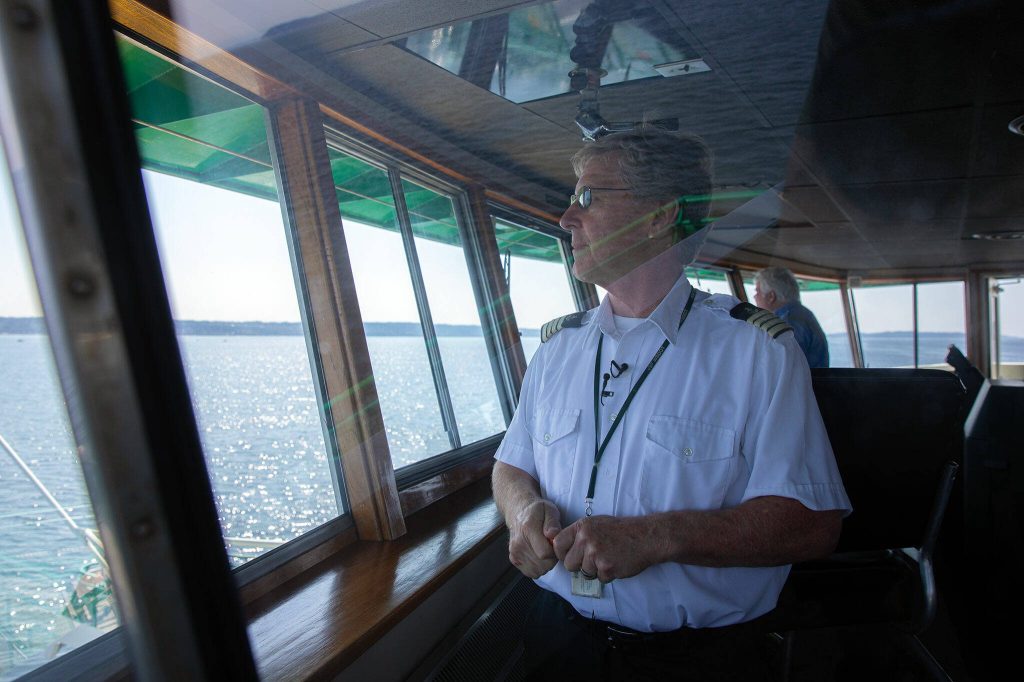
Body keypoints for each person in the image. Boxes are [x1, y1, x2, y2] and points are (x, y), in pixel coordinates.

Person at [492, 127, 851, 681]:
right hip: (558, 636)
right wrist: (521, 513)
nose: (566, 217)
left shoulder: (758, 351)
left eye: (587, 196)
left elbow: (811, 524)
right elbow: (511, 465)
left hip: (698, 660)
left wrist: (657, 537)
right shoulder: (556, 351)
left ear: (658, 215)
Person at [753, 267, 830, 368]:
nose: (754, 297)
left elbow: (782, 368)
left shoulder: (786, 323)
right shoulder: (803, 314)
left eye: (757, 292)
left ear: (771, 296)